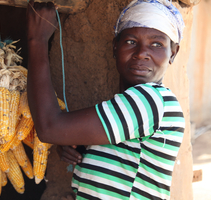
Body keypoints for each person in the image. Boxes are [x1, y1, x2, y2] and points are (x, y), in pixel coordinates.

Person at [26, 0, 185, 199]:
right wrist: (82, 146)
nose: (142, 53)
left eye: (156, 44)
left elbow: (49, 128)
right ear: (115, 47)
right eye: (130, 42)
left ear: (173, 53)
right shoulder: (128, 107)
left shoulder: (152, 100)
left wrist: (37, 40)